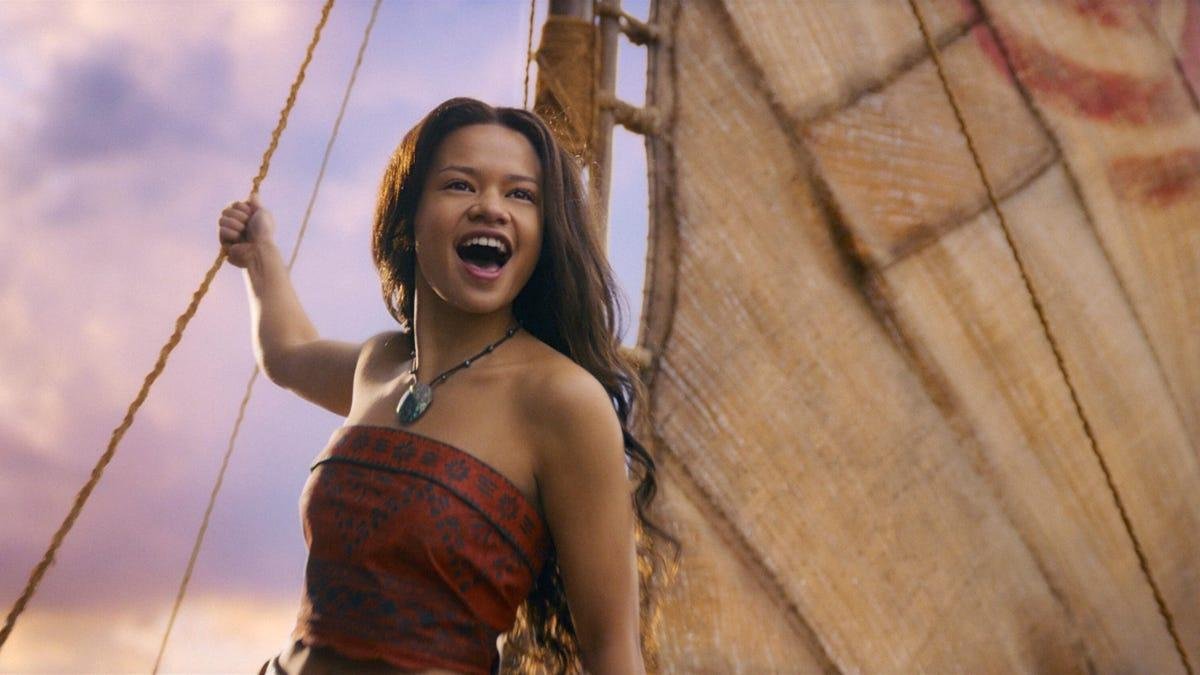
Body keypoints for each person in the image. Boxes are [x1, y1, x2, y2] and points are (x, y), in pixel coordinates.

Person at [218, 97, 678, 674]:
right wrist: (259, 252)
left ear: (544, 233)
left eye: (521, 195)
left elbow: (612, 649)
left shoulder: (563, 401)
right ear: (409, 215)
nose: (491, 208)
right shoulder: (380, 364)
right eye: (461, 185)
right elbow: (287, 354)